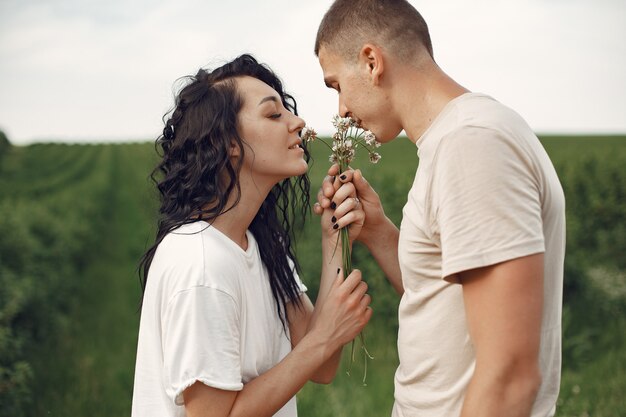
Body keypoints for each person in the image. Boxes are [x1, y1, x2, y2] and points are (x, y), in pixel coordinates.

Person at [313, 1, 566, 416]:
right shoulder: (457, 140)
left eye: (336, 84)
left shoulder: (471, 144)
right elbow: (444, 301)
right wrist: (378, 232)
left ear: (372, 61)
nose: (340, 110)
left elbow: (510, 376)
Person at [131, 54, 372, 417]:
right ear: (228, 141)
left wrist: (334, 240)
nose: (298, 123)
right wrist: (324, 339)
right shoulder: (201, 265)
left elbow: (322, 366)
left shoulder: (258, 244)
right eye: (274, 114)